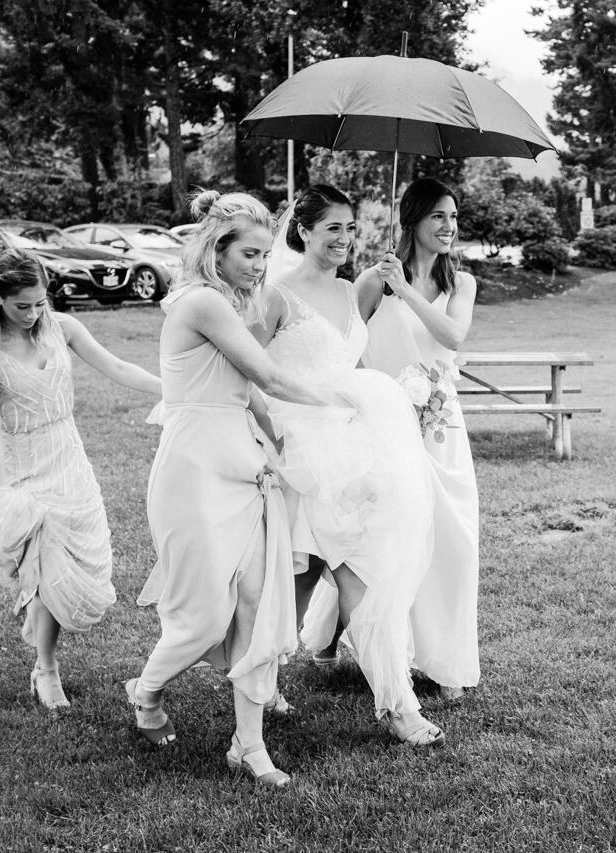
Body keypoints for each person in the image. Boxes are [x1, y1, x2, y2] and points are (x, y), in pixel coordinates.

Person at [127, 190, 349, 787]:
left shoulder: (231, 303)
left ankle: (248, 747)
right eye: (250, 253)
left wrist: (278, 441)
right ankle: (145, 692)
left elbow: (247, 391)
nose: (261, 264)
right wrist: (352, 401)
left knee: (257, 604)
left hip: (246, 467)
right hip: (194, 471)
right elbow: (268, 374)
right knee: (203, 617)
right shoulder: (202, 302)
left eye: (265, 253)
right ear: (215, 250)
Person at [257, 183, 444, 748]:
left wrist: (398, 399)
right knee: (301, 579)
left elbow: (353, 364)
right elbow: (251, 373)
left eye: (349, 228)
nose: (344, 238)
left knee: (334, 573)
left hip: (351, 450)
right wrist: (273, 443)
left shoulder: (348, 290)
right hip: (301, 454)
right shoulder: (275, 296)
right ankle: (396, 705)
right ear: (304, 230)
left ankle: (385, 700)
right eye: (332, 227)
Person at [0, 251, 162, 710]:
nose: (34, 314)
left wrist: (171, 388)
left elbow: (117, 368)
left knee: (76, 566)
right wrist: (3, 492)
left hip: (69, 458)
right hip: (24, 468)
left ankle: (41, 645)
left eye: (40, 302)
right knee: (47, 566)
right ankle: (46, 669)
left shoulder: (63, 328)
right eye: (22, 306)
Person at [350, 177, 481, 701]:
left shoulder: (461, 282)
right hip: (389, 427)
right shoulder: (370, 281)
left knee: (453, 541)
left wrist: (404, 291)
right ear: (412, 221)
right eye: (438, 217)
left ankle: (446, 662)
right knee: (395, 542)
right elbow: (348, 348)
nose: (449, 227)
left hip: (443, 427)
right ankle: (394, 661)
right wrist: (376, 395)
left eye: (453, 217)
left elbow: (453, 337)